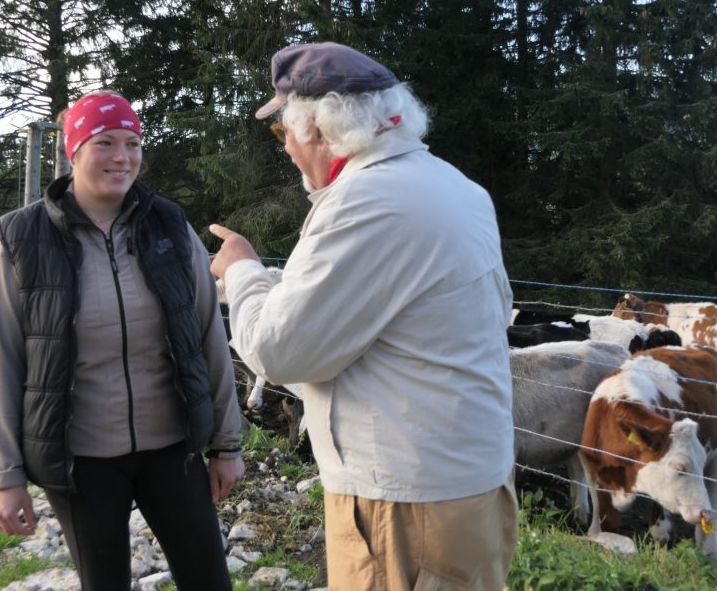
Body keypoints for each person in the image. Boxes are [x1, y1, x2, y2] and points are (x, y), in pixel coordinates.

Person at [210, 42, 517, 591]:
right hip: (464, 485)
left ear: (321, 131)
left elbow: (279, 351)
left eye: (284, 132)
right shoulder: (455, 187)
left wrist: (243, 273)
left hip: (403, 504)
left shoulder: (365, 201)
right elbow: (394, 308)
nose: (285, 150)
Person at [0, 90, 244, 590]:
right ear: (72, 150)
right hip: (81, 458)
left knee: (210, 581)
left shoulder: (169, 224)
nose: (122, 157)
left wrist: (226, 444)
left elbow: (210, 335)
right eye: (104, 143)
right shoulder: (22, 240)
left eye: (132, 143)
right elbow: (5, 363)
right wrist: (5, 476)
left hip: (174, 448)